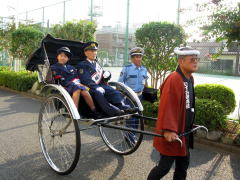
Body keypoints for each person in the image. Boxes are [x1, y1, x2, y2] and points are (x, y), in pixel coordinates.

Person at [147, 47, 200, 180]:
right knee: (164, 167)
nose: (195, 62)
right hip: (173, 133)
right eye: (192, 60)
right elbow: (167, 106)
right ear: (181, 61)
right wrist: (168, 130)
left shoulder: (189, 78)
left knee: (183, 165)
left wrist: (191, 121)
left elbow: (187, 105)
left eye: (197, 60)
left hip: (184, 132)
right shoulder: (174, 78)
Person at [76, 42, 138, 117]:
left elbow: (103, 76)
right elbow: (86, 79)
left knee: (114, 92)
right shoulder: (82, 65)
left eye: (95, 51)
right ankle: (114, 112)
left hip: (101, 85)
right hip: (89, 87)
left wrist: (107, 75)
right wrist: (96, 87)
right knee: (98, 93)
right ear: (86, 53)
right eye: (92, 51)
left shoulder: (96, 63)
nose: (94, 53)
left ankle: (124, 107)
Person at [51, 47, 100, 118]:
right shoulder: (54, 67)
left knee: (84, 90)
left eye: (65, 56)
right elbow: (60, 79)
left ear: (68, 59)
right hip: (63, 86)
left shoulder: (71, 68)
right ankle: (74, 112)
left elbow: (76, 78)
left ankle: (94, 110)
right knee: (77, 88)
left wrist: (80, 84)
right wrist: (75, 84)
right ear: (57, 57)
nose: (63, 58)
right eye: (61, 56)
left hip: (74, 85)